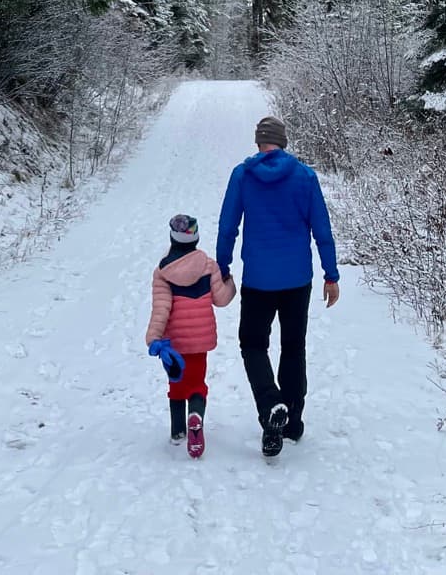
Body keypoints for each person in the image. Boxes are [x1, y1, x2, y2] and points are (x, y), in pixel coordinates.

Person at [216, 115, 340, 458]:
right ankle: (293, 422)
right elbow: (322, 230)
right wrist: (331, 275)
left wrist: (222, 266)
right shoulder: (304, 176)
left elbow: (228, 226)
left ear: (258, 143)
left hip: (258, 279)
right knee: (293, 347)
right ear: (283, 142)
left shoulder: (243, 175)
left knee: (253, 345)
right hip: (297, 279)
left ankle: (271, 406)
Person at [144, 213, 236, 458]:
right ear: (196, 239)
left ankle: (177, 431)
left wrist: (153, 337)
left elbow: (161, 309)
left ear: (172, 238)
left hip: (174, 343)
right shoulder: (208, 266)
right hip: (201, 339)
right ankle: (196, 415)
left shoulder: (162, 272)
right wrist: (231, 283)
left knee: (176, 383)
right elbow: (221, 299)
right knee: (197, 383)